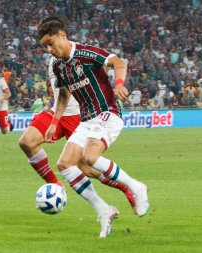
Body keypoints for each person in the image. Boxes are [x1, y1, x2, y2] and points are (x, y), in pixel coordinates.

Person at [38, 16, 149, 238]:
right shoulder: (59, 66)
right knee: (65, 163)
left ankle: (136, 187)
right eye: (45, 46)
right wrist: (54, 122)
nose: (49, 49)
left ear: (63, 35)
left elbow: (119, 63)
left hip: (108, 112)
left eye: (51, 43)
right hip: (87, 119)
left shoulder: (86, 53)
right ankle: (104, 210)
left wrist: (118, 84)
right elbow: (63, 95)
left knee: (89, 157)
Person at [18, 55, 135, 216]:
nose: (49, 47)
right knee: (26, 141)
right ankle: (54, 183)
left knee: (85, 168)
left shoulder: (81, 55)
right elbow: (62, 93)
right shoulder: (53, 60)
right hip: (57, 113)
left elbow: (110, 65)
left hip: (79, 117)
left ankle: (124, 188)